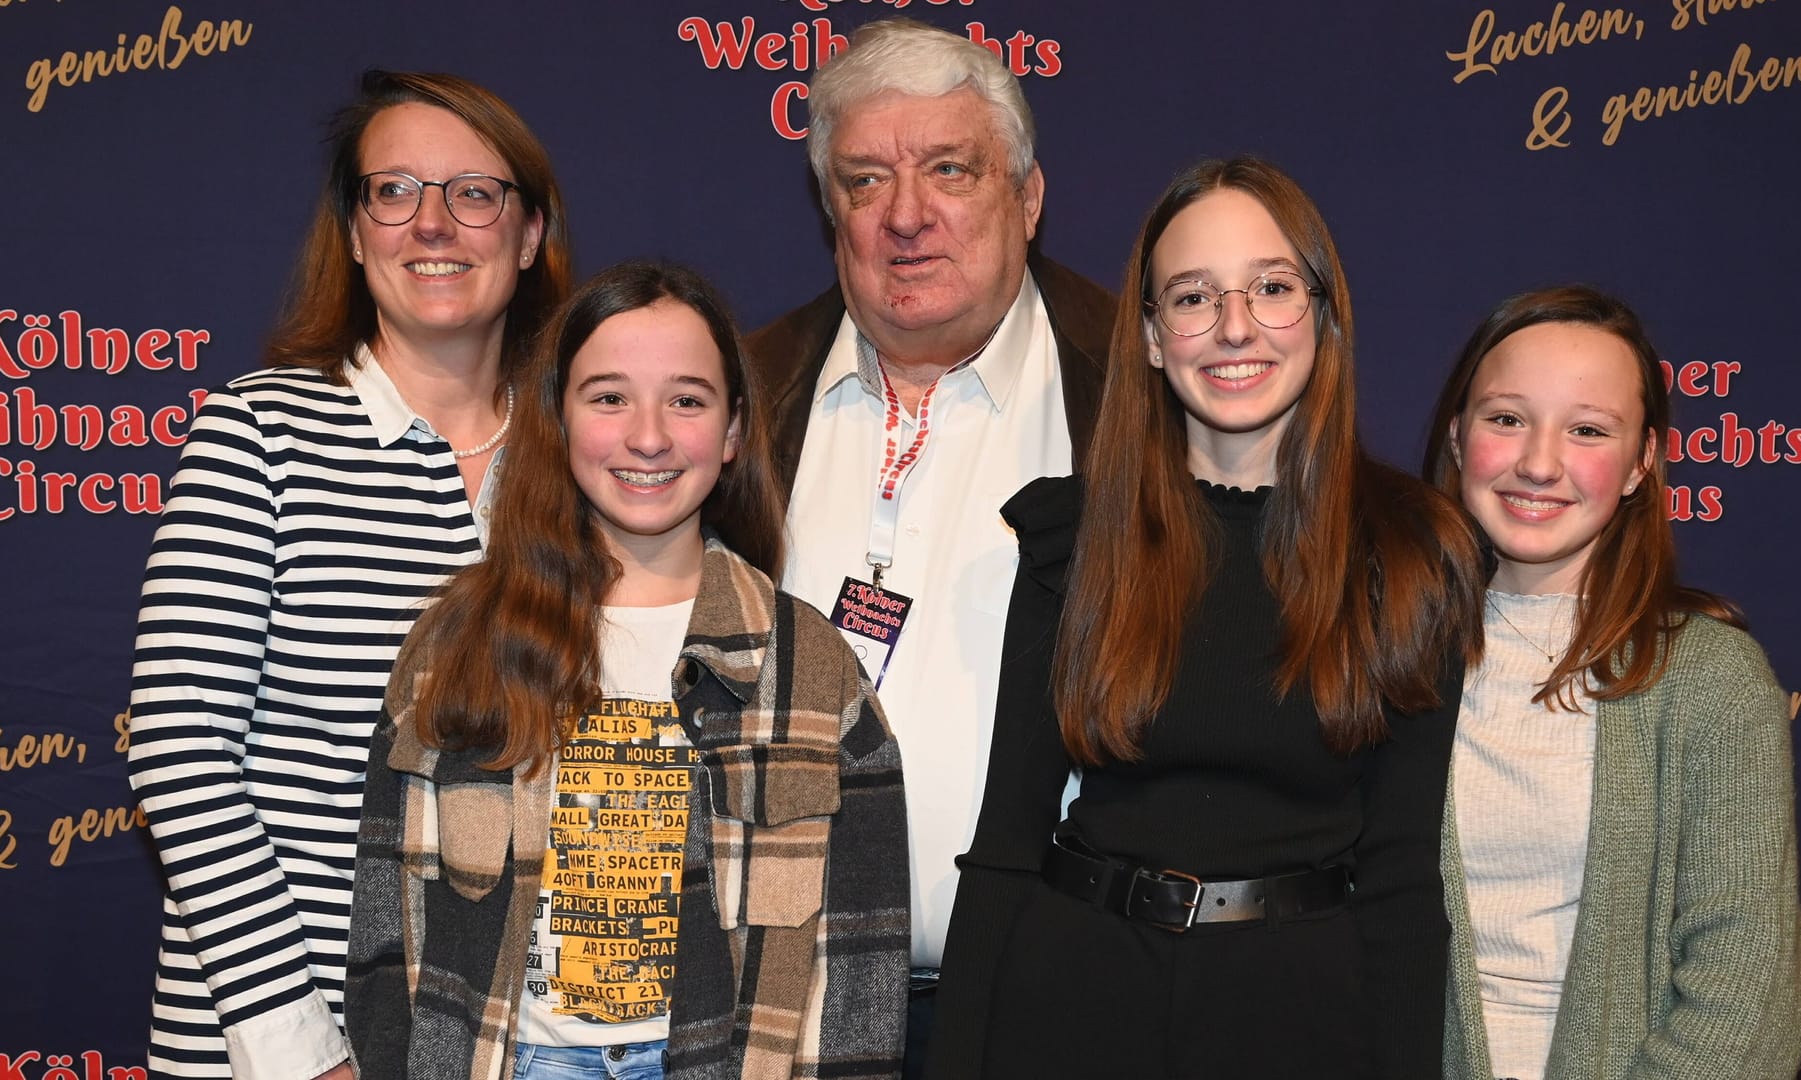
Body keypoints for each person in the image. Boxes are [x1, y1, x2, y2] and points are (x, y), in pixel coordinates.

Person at [926, 156, 1482, 1079]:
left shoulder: (1413, 553)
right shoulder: (1075, 537)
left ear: (1324, 314)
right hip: (1070, 1005)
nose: (1234, 327)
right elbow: (1006, 847)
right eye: (1192, 297)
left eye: (1271, 287)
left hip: (1301, 1019)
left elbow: (1401, 879)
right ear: (1149, 335)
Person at [344, 261, 910, 1080]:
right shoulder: (460, 647)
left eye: (687, 400)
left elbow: (860, 966)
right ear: (559, 418)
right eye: (609, 398)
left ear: (733, 430)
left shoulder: (811, 670)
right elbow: (388, 919)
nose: (649, 436)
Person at [125, 70, 568, 1079]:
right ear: (358, 232)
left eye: (474, 193)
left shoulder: (582, 459)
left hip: (512, 1039)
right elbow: (181, 752)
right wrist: (302, 1046)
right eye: (395, 192)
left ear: (529, 234)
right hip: (284, 1040)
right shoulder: (257, 434)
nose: (433, 225)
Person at [742, 17, 1115, 1066]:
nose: (906, 216)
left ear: (1027, 197)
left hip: (1050, 1009)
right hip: (777, 1015)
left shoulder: (1138, 388)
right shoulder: (737, 393)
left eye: (950, 169)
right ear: (832, 214)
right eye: (864, 182)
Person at [1421, 285, 1801, 1080]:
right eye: (1506, 418)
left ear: (1641, 464)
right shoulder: (1378, 652)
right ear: (1459, 438)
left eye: (1588, 430)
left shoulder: (1709, 678)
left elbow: (1748, 990)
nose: (1538, 462)